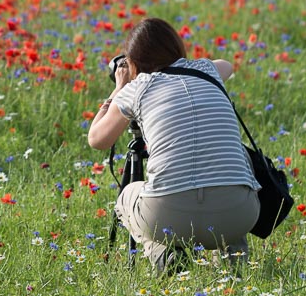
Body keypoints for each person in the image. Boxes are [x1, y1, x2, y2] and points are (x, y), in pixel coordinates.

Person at [87, 18, 260, 271]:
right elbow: (227, 65)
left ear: (134, 61)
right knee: (226, 182)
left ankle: (165, 256)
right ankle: (233, 264)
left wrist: (119, 88)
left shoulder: (137, 89)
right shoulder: (207, 71)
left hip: (169, 216)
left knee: (126, 197)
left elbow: (97, 139)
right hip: (241, 214)